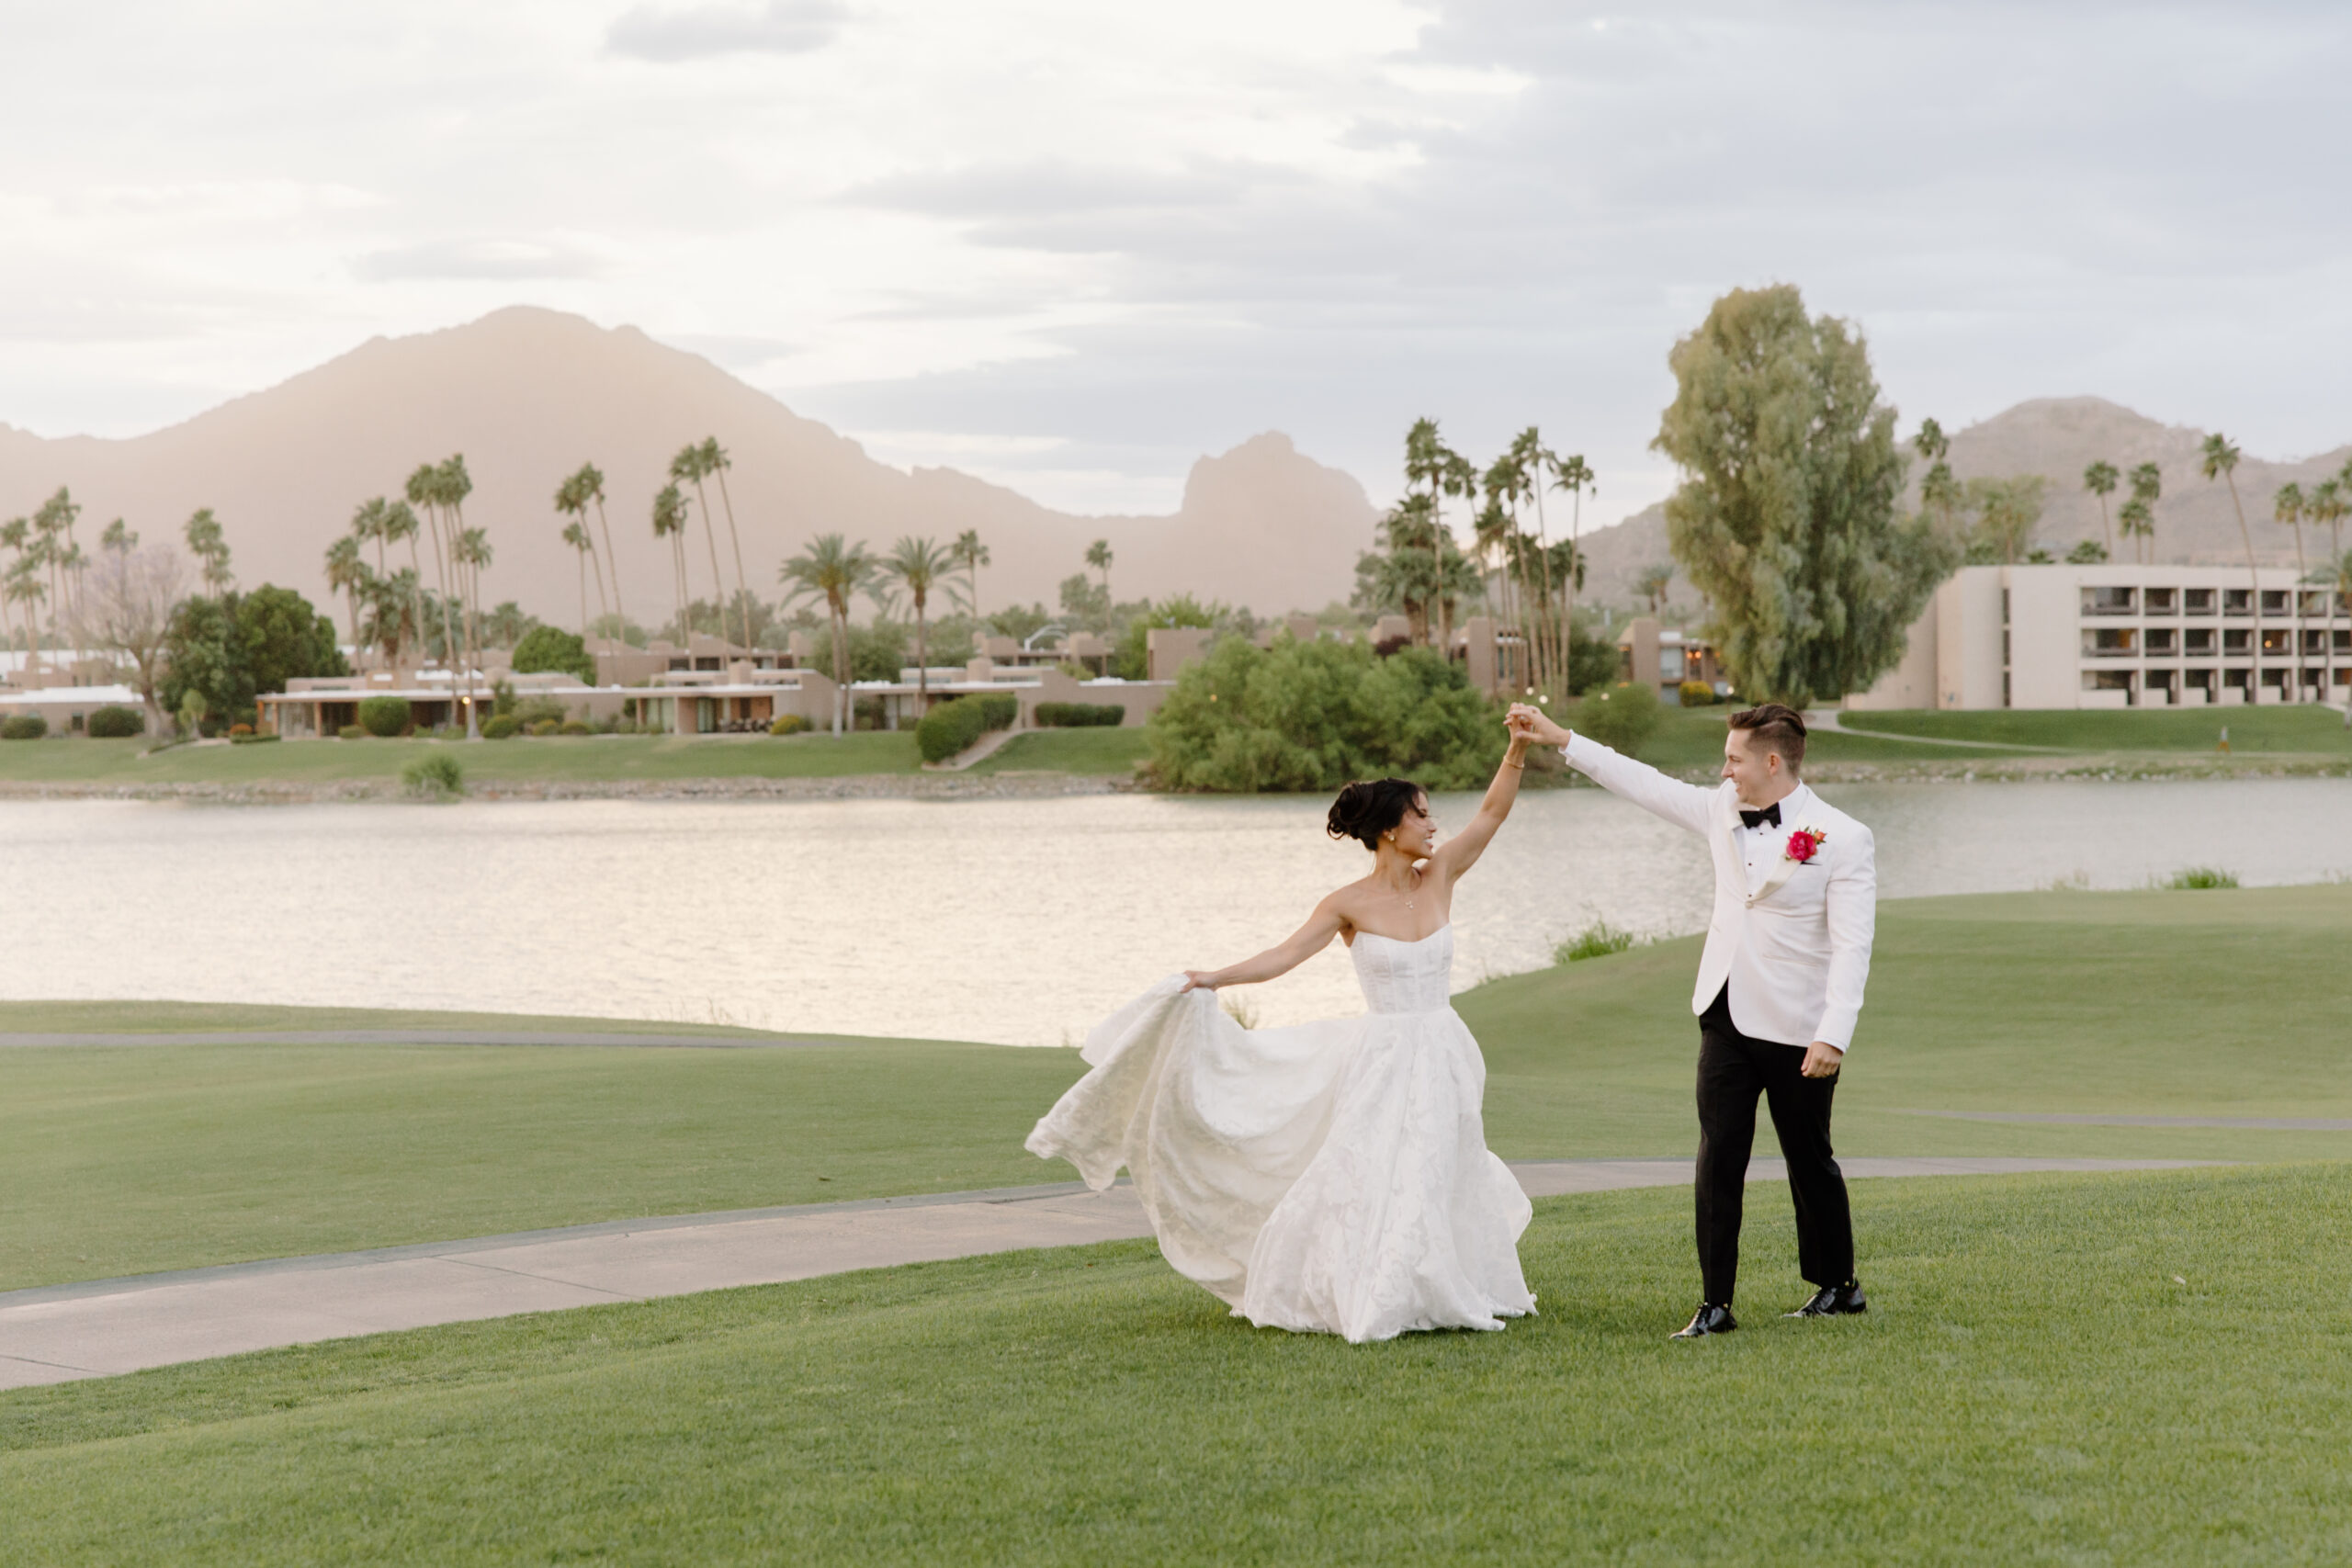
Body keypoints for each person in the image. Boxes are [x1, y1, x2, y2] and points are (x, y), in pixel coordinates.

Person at [1025, 728, 1539, 1343]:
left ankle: (1436, 1279)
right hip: (1382, 1058)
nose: (1433, 825)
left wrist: (1517, 747)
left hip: (1444, 1048)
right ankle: (1377, 1290)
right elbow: (1285, 954)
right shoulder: (1346, 903)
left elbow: (1493, 811)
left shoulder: (1441, 874)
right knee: (1376, 1168)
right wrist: (1214, 976)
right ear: (1387, 829)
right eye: (1420, 814)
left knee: (1438, 1164)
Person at [1509, 700, 1876, 1340]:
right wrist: (1561, 738)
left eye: (1734, 757)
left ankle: (1838, 1285)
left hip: (1799, 1030)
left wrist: (1833, 1032)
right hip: (1725, 1016)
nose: (1725, 768)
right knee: (1717, 1158)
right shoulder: (1717, 810)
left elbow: (1853, 945)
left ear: (1771, 760)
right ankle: (1715, 1302)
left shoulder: (1843, 836)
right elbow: (1644, 782)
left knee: (1809, 1157)